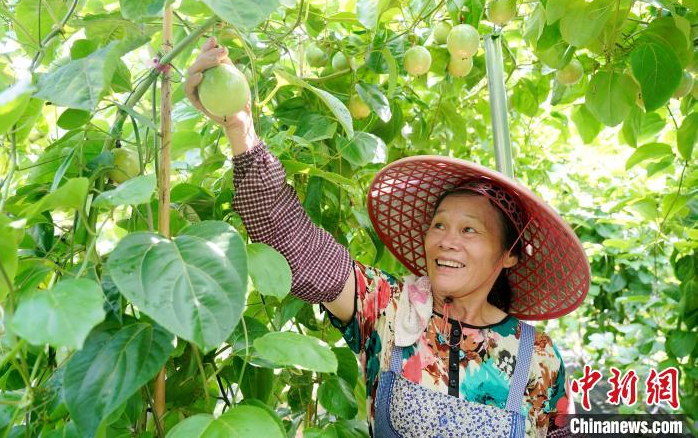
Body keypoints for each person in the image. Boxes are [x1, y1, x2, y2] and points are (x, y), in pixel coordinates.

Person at [185, 37, 590, 438]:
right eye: (439, 225)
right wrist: (241, 128)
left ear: (508, 256)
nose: (447, 240)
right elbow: (295, 245)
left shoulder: (538, 359)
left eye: (470, 230)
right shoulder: (390, 308)